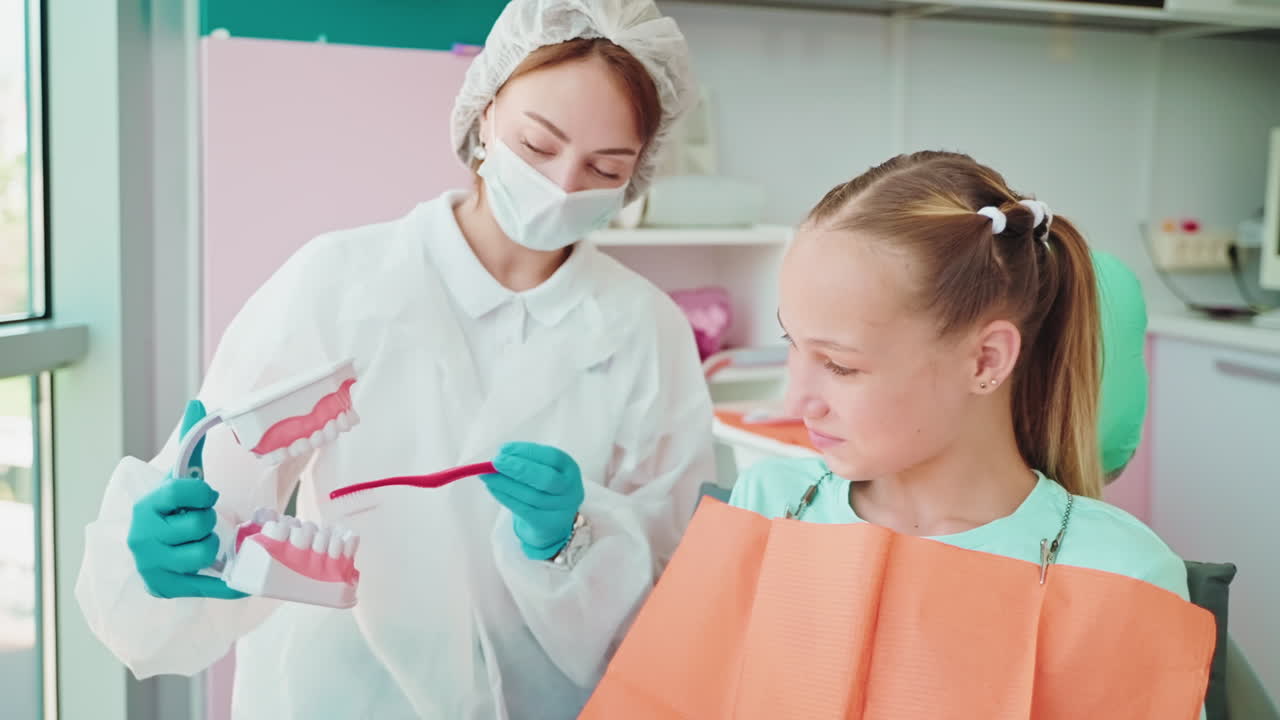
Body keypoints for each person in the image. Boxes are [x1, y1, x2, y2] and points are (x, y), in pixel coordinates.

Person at [75, 1, 714, 718]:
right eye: (538, 146)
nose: (563, 185)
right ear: (484, 115)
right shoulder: (337, 283)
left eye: (604, 167)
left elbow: (672, 602)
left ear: (636, 176)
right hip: (343, 692)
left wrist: (572, 540)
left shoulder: (645, 330)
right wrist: (163, 562)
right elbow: (213, 506)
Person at [733, 150, 1189, 606]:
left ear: (985, 361)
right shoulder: (767, 504)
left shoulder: (1125, 576)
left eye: (840, 365)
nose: (796, 404)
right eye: (791, 342)